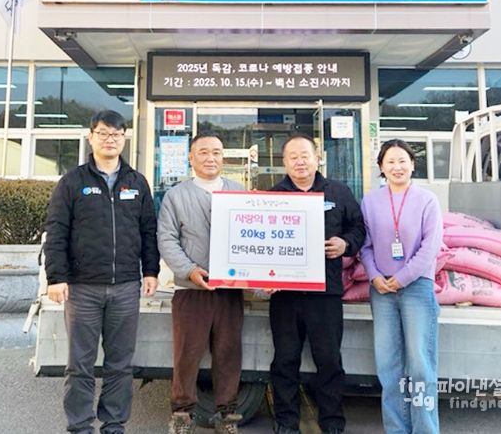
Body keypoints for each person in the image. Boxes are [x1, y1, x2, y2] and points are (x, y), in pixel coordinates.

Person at [44, 109, 160, 434]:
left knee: (120, 364)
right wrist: (56, 277)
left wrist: (151, 271)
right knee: (79, 364)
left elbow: (148, 230)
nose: (110, 139)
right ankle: (80, 425)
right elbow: (56, 231)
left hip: (125, 287)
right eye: (103, 133)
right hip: (82, 289)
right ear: (91, 137)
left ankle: (113, 424)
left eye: (116, 134)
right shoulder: (72, 182)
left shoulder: (137, 182)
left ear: (124, 139)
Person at [269, 133, 365, 434]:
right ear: (284, 162)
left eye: (305, 155)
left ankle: (332, 422)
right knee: (285, 360)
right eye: (293, 157)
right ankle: (286, 423)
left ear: (317, 158)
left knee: (329, 360)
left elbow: (358, 228)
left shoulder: (338, 192)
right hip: (284, 294)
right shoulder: (272, 196)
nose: (300, 162)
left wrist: (345, 243)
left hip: (325, 292)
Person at [157, 132, 246, 434]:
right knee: (187, 354)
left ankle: (227, 415)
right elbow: (167, 239)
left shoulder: (239, 192)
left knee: (228, 353)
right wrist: (189, 270)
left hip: (230, 291)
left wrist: (259, 278)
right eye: (204, 152)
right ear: (190, 157)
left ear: (223, 157)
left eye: (217, 152)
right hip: (191, 290)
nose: (211, 158)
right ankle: (182, 415)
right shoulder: (176, 195)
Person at [360, 139, 443, 434]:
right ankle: (396, 429)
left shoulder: (427, 200)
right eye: (390, 162)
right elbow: (365, 246)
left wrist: (403, 277)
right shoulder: (370, 201)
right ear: (381, 167)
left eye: (402, 161)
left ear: (413, 165)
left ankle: (425, 430)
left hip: (417, 288)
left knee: (420, 365)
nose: (397, 167)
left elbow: (430, 247)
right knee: (388, 365)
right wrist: (374, 276)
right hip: (381, 291)